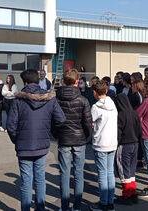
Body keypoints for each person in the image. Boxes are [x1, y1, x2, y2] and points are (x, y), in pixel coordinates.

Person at [6, 69, 66, 211]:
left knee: (26, 181)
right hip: (42, 145)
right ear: (38, 80)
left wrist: (17, 140)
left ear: (25, 82)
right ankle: (40, 208)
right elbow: (61, 119)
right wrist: (50, 133)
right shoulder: (49, 98)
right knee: (40, 179)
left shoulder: (18, 100)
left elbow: (10, 125)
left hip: (24, 146)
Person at [52, 69, 92, 211]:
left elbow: (53, 121)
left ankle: (64, 207)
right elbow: (88, 122)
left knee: (64, 173)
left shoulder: (56, 99)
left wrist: (56, 135)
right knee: (79, 173)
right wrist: (87, 136)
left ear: (63, 81)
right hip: (79, 139)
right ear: (76, 81)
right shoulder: (83, 99)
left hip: (64, 139)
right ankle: (77, 206)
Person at [90, 80, 118, 211]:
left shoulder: (95, 107)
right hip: (112, 142)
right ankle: (110, 202)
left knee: (102, 173)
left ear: (95, 93)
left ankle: (103, 202)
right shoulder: (113, 104)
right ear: (106, 91)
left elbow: (91, 123)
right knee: (110, 172)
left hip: (101, 142)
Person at [114, 94, 142, 205]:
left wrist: (116, 142)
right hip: (135, 144)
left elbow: (118, 132)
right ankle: (132, 192)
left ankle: (126, 195)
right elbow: (139, 130)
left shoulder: (121, 115)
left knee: (123, 170)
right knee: (131, 169)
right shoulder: (134, 113)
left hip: (124, 145)